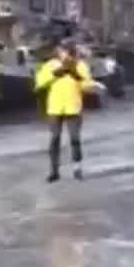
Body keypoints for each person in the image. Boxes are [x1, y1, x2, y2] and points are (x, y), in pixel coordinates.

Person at [34, 41, 94, 182]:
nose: (64, 55)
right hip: (55, 107)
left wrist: (75, 75)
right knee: (54, 139)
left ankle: (77, 168)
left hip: (73, 107)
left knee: (75, 139)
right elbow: (40, 83)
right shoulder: (49, 65)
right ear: (58, 53)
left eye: (67, 52)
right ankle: (54, 171)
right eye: (61, 52)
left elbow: (87, 86)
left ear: (71, 52)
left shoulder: (80, 65)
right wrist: (55, 74)